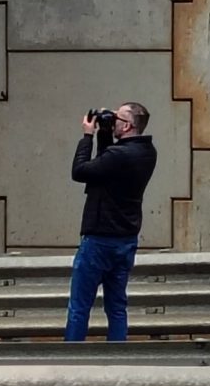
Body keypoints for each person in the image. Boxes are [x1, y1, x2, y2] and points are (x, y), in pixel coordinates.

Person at [64, 101, 157, 342]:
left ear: (126, 126)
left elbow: (81, 171)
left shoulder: (120, 155)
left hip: (99, 241)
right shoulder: (147, 152)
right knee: (116, 308)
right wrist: (105, 133)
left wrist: (88, 136)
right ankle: (118, 360)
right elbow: (107, 165)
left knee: (79, 308)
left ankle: (70, 362)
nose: (112, 120)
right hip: (125, 241)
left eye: (116, 118)